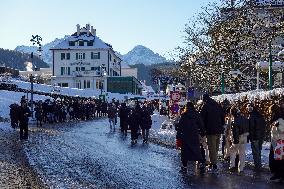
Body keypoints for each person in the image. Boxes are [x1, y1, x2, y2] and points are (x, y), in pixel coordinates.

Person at [176, 102, 206, 174]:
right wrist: (202, 133)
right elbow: (201, 125)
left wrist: (178, 136)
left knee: (185, 152)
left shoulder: (184, 115)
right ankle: (201, 163)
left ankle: (184, 166)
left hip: (185, 136)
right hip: (194, 135)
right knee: (196, 150)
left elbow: (180, 126)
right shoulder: (197, 114)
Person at [200, 94, 225, 172]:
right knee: (216, 148)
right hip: (219, 130)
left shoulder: (205, 106)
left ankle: (213, 165)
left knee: (212, 148)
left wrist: (202, 130)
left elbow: (201, 119)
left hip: (210, 131)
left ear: (204, 100)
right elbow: (223, 118)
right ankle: (213, 162)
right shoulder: (218, 105)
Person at [229, 106, 249, 173]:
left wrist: (235, 141)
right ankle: (241, 168)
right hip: (245, 136)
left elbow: (235, 131)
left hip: (238, 137)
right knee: (242, 153)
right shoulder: (244, 118)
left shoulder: (234, 120)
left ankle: (232, 166)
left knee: (232, 151)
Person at [247, 103, 266, 171]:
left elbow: (251, 128)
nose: (248, 109)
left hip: (255, 137)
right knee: (259, 151)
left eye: (248, 108)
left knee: (255, 152)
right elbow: (264, 125)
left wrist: (250, 137)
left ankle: (257, 166)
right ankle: (259, 165)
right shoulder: (260, 115)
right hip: (261, 136)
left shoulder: (251, 116)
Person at [269, 104, 284, 181]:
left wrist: (278, 126)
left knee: (280, 160)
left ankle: (280, 175)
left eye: (271, 111)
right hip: (275, 142)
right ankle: (277, 174)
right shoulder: (274, 119)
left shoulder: (280, 119)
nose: (270, 113)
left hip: (280, 142)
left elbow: (282, 130)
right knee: (275, 159)